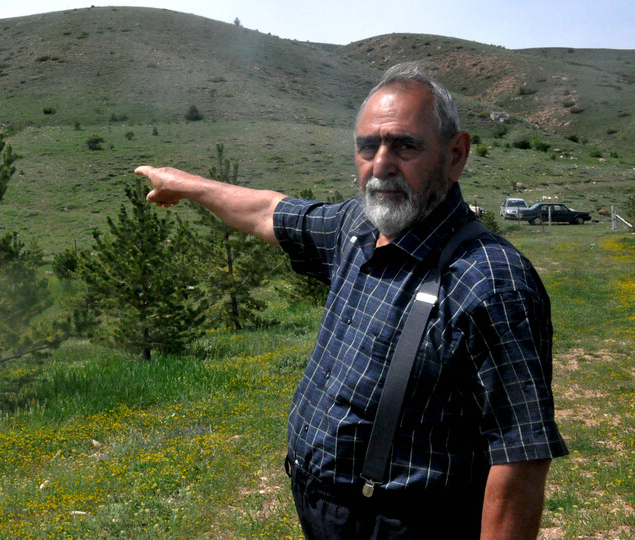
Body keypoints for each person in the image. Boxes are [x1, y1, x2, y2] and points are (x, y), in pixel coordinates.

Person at [135, 62, 567, 539]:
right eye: (368, 146)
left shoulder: (491, 280)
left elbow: (520, 460)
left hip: (400, 525)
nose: (381, 164)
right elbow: (266, 211)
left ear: (456, 154)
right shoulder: (354, 229)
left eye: (405, 145)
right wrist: (187, 185)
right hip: (323, 509)